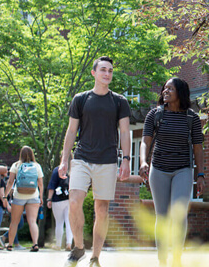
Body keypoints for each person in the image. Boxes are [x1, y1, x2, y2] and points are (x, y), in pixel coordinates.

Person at [59, 56, 131, 267]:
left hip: (107, 160)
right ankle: (79, 247)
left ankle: (95, 257)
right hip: (81, 158)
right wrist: (64, 160)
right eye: (103, 70)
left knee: (102, 210)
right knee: (74, 202)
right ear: (94, 73)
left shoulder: (119, 101)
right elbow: (71, 130)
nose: (107, 74)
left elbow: (125, 132)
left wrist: (126, 159)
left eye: (110, 70)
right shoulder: (80, 99)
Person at [139, 77, 205, 267]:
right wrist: (144, 161)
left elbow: (198, 148)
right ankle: (162, 260)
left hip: (183, 170)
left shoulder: (192, 118)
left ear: (181, 93)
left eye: (170, 89)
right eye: (164, 88)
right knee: (162, 216)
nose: (165, 92)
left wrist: (200, 174)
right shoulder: (154, 115)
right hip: (158, 169)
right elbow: (145, 141)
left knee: (179, 213)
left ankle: (176, 258)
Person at [4, 146, 44, 252]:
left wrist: (5, 195)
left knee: (14, 222)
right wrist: (41, 197)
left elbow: (10, 182)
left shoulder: (16, 165)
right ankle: (35, 244)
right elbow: (40, 183)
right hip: (33, 195)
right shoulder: (37, 166)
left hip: (19, 196)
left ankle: (10, 245)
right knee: (32, 221)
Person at [47, 153, 73, 251]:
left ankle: (58, 244)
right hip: (70, 200)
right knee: (69, 222)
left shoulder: (57, 170)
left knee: (59, 222)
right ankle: (69, 244)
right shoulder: (73, 171)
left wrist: (49, 199)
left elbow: (51, 186)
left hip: (57, 200)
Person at [0, 172, 25, 251]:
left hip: (16, 203)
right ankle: (14, 243)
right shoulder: (11, 181)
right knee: (16, 223)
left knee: (17, 223)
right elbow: (8, 193)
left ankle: (6, 238)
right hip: (12, 204)